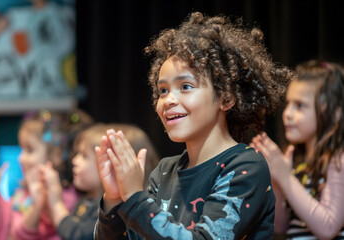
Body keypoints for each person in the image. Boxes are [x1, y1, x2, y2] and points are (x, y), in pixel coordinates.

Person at [94, 12, 293, 239]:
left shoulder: (246, 166)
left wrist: (133, 197)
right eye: (163, 90)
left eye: (186, 86)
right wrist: (113, 199)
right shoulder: (164, 171)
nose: (168, 100)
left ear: (226, 97)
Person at [251, 60, 344, 239]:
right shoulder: (296, 161)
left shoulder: (338, 159)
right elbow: (280, 227)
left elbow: (328, 228)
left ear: (333, 113)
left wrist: (285, 177)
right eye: (288, 104)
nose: (287, 114)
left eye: (300, 105)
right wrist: (276, 178)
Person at [43, 123, 159, 240]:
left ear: (113, 166)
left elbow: (81, 236)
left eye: (84, 156)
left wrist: (56, 204)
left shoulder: (112, 212)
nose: (74, 160)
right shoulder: (86, 198)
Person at [0, 110, 79, 240]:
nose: (21, 158)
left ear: (55, 155)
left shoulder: (63, 197)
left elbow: (27, 235)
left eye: (30, 150)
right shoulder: (21, 192)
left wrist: (38, 206)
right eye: (21, 149)